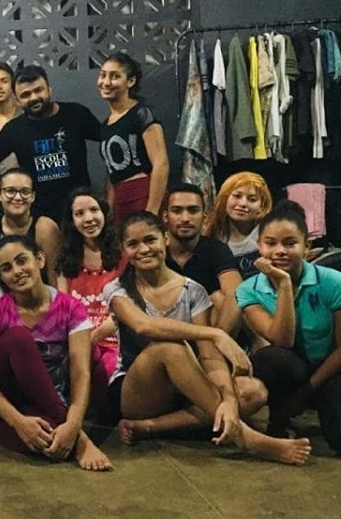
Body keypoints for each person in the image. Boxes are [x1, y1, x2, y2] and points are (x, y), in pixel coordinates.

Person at [103, 211, 310, 465]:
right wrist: (215, 333)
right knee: (170, 347)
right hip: (138, 391)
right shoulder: (117, 289)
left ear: (165, 239)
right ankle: (246, 438)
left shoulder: (193, 290)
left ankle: (151, 426)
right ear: (124, 249)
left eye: (150, 240)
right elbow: (144, 326)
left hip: (186, 389)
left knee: (252, 392)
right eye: (133, 244)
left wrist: (229, 400)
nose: (144, 249)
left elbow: (209, 356)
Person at [0, 233, 113, 472]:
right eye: (7, 268)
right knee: (18, 338)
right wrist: (20, 423)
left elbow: (80, 370)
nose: (17, 271)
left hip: (43, 399)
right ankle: (80, 441)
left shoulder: (70, 308)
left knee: (47, 439)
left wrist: (72, 423)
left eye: (22, 261)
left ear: (40, 260)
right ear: (1, 277)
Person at [237, 201, 341, 450]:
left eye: (290, 243)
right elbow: (282, 341)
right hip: (291, 368)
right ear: (259, 246)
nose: (280, 251)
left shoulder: (334, 281)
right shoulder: (247, 290)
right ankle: (279, 417)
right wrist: (283, 284)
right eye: (271, 243)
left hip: (331, 368)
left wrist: (307, 392)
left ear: (306, 246)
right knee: (271, 358)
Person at [0, 65, 102, 223]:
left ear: (49, 89)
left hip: (80, 212)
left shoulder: (76, 114)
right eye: (25, 95)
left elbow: (108, 138)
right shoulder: (13, 130)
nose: (34, 97)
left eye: (39, 90)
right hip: (39, 218)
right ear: (17, 101)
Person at [55, 188, 124, 382]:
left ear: (104, 213)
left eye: (94, 210)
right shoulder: (66, 260)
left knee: (104, 373)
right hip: (79, 338)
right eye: (79, 213)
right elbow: (63, 310)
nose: (88, 219)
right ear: (72, 221)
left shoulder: (123, 254)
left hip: (115, 340)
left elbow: (126, 311)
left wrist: (93, 337)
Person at [97, 52, 168, 225]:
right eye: (103, 75)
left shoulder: (141, 114)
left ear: (131, 81)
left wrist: (152, 211)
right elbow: (112, 173)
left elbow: (161, 163)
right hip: (120, 201)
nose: (106, 82)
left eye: (115, 76)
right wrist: (110, 211)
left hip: (142, 194)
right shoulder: (105, 124)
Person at [163, 182, 241, 333]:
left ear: (205, 217)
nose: (185, 218)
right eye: (177, 211)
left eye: (193, 211)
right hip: (167, 325)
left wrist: (219, 339)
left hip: (210, 329)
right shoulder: (154, 251)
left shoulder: (216, 249)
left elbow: (235, 293)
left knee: (219, 298)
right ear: (165, 216)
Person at [0, 166, 61, 287]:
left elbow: (56, 281)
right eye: (10, 191)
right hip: (2, 296)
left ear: (32, 196)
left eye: (25, 192)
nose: (18, 197)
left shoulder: (46, 228)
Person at [204, 172, 273, 279]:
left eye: (252, 199)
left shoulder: (270, 233)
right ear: (225, 198)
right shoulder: (210, 236)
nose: (243, 203)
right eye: (237, 196)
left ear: (261, 206)